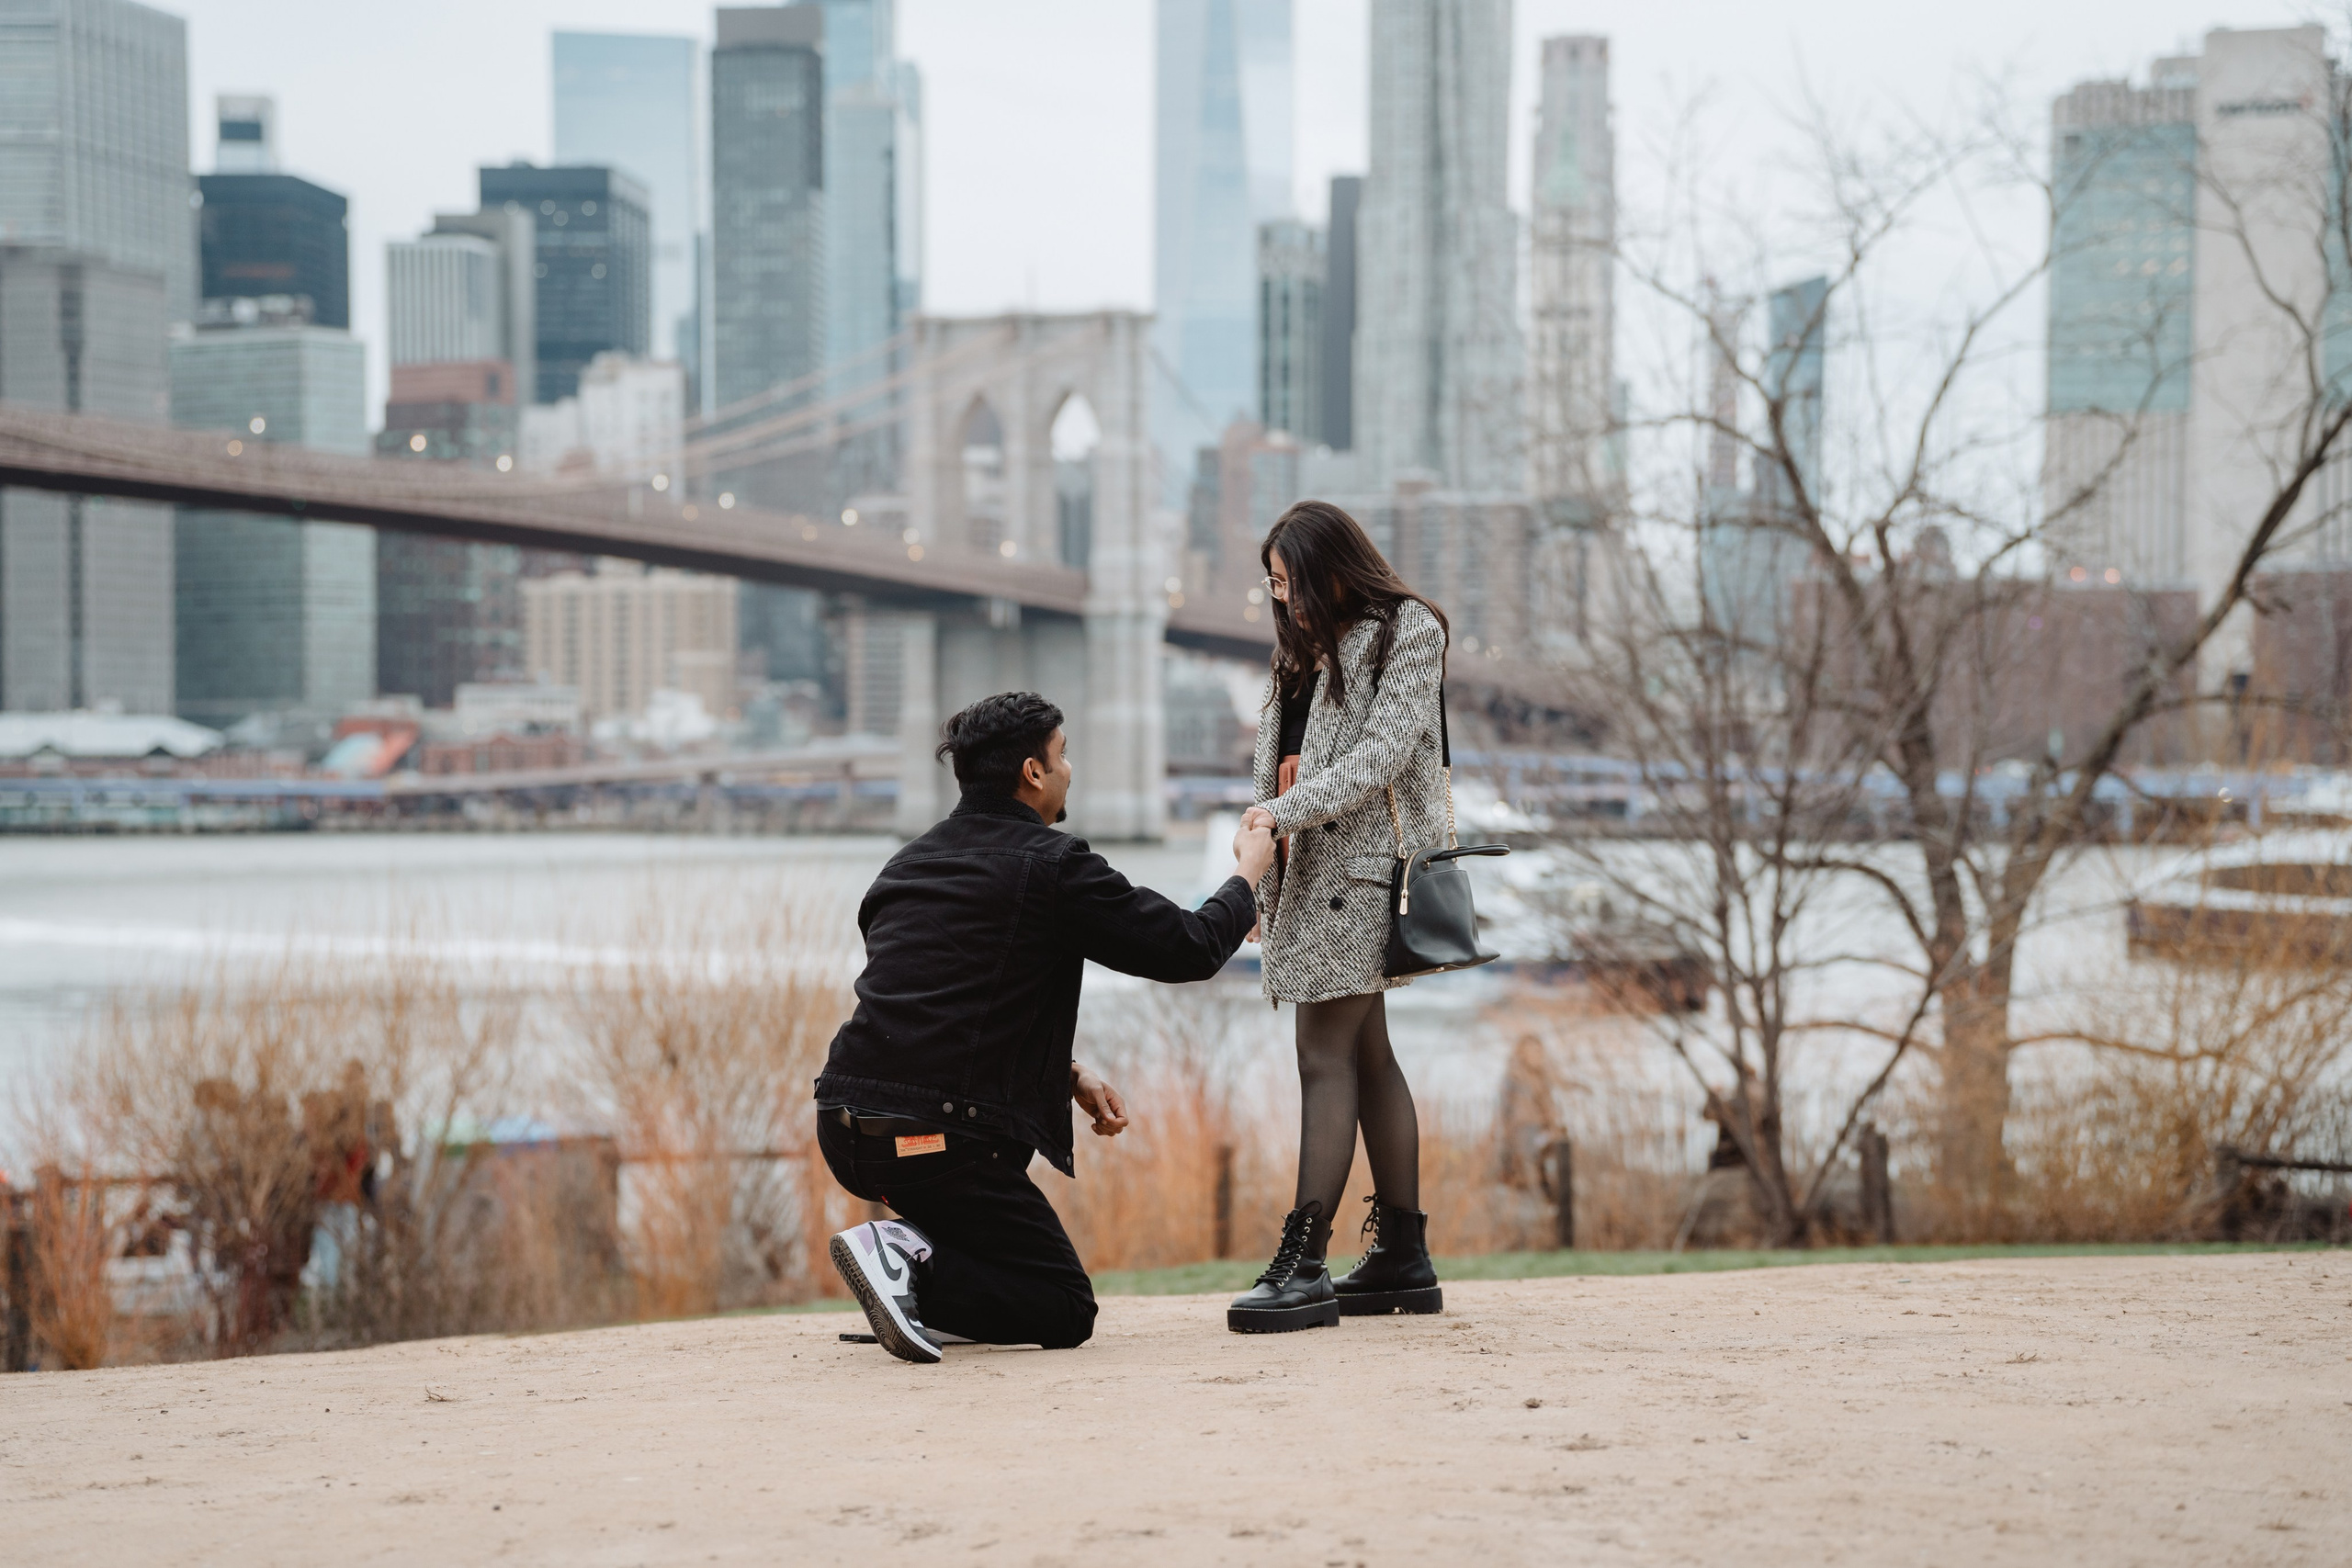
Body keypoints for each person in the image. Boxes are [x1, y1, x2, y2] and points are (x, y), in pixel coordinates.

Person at [816, 691, 1276, 1362]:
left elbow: (938, 1006)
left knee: (1008, 1261)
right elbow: (1187, 947)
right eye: (1063, 756)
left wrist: (1065, 1075)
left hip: (847, 1125)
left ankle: (911, 1293)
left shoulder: (906, 865)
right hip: (935, 1138)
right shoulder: (1053, 865)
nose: (1070, 770)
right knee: (1062, 1303)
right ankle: (903, 1258)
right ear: (1033, 772)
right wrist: (1249, 870)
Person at [1227, 500, 1452, 1333]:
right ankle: (1404, 1255)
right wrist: (1259, 877)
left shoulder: (1407, 630)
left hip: (1367, 874)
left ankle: (1305, 1258)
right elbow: (1271, 777)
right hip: (1304, 873)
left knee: (1322, 1049)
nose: (1281, 599)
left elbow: (1382, 757)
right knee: (1366, 1050)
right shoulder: (1299, 651)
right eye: (1273, 587)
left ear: (1330, 566)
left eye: (1289, 581)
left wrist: (1277, 819)